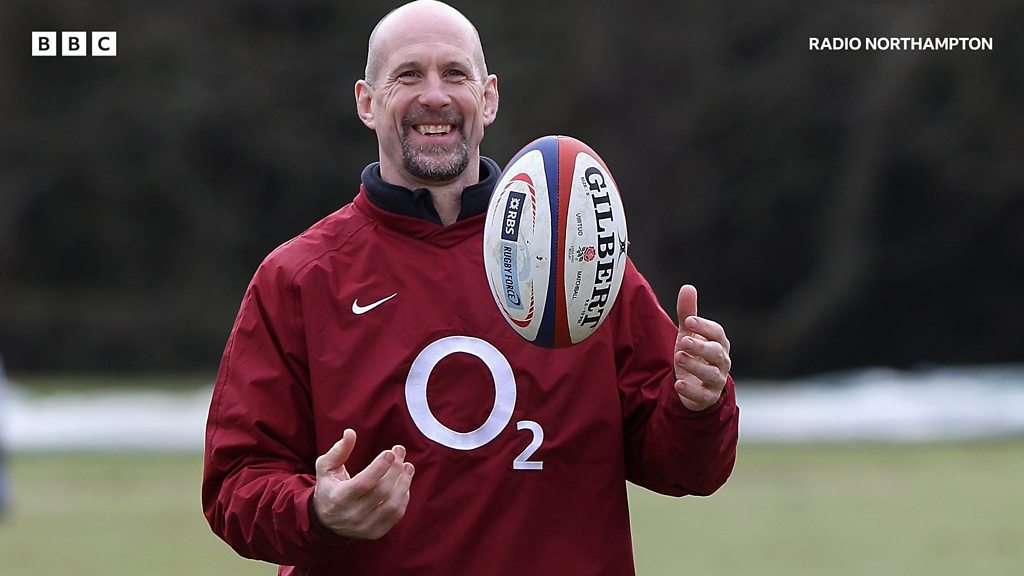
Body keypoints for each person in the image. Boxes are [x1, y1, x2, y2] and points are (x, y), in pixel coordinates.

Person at [202, 2, 738, 574]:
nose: (435, 96)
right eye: (408, 75)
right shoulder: (299, 277)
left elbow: (687, 469)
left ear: (488, 98)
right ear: (366, 102)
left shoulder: (573, 260)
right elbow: (235, 483)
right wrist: (316, 512)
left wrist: (698, 405)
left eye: (455, 74)